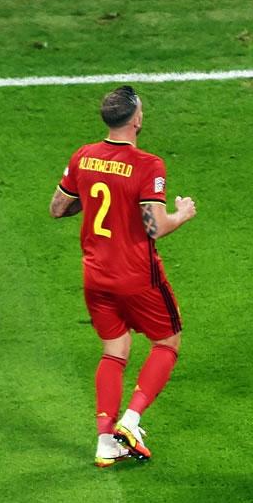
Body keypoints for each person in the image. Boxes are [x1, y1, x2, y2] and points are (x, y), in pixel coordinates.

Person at [49, 86, 196, 467]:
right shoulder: (149, 165)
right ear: (136, 119)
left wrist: (98, 196)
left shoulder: (83, 156)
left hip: (95, 277)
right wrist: (182, 214)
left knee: (115, 350)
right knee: (168, 341)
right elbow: (155, 227)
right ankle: (130, 421)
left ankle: (104, 442)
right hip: (137, 277)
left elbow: (58, 208)